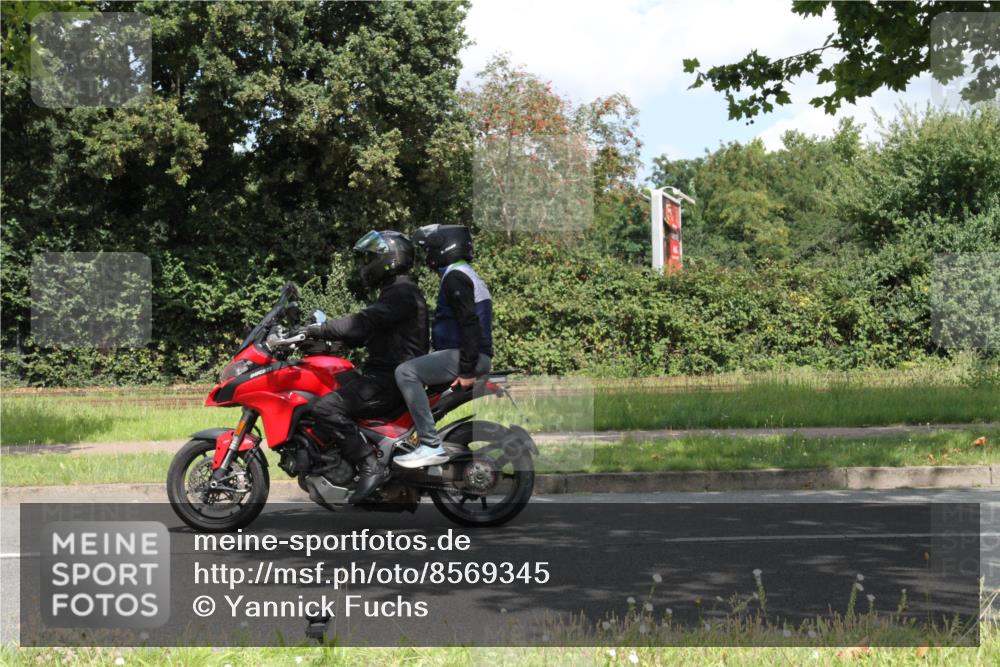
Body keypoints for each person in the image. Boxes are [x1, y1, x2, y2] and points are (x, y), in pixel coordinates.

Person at [304, 230, 428, 502]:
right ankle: (334, 461)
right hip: (385, 375)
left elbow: (362, 323)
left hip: (389, 380)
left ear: (389, 259)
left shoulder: (402, 293)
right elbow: (367, 332)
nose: (366, 265)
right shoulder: (396, 292)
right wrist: (320, 341)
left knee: (326, 408)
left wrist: (319, 329)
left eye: (371, 258)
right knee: (333, 383)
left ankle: (370, 465)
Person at [393, 224, 492, 468]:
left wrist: (467, 369)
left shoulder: (455, 277)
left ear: (446, 247)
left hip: (468, 357)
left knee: (406, 372)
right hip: (466, 355)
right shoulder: (463, 273)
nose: (429, 255)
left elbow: (469, 324)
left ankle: (430, 445)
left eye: (431, 249)